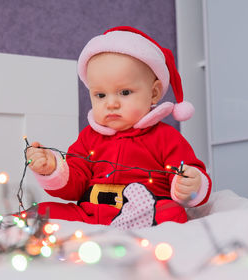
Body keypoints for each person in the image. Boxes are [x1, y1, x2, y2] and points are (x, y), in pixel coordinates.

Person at [26, 26, 212, 230]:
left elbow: (186, 171)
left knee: (171, 212)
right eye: (100, 95)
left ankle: (135, 227)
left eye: (124, 92)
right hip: (90, 215)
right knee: (42, 210)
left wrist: (189, 185)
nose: (111, 104)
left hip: (145, 212)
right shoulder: (89, 138)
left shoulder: (165, 137)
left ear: (154, 93)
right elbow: (74, 185)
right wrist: (52, 168)